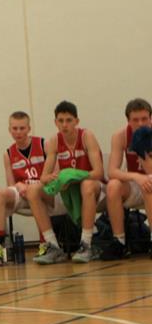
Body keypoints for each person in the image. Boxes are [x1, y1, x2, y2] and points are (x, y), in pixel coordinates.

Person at [27, 101, 105, 264]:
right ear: (55, 122)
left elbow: (98, 173)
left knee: (87, 185)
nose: (64, 124)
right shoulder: (54, 141)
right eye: (60, 120)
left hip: (94, 188)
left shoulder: (86, 136)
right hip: (67, 190)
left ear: (76, 121)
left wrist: (71, 175)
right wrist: (50, 178)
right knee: (33, 190)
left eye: (68, 120)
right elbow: (43, 177)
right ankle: (53, 246)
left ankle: (86, 244)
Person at [0, 111, 46, 266]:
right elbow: (11, 184)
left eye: (22, 128)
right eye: (15, 128)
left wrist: (34, 185)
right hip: (22, 193)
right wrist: (18, 186)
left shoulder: (43, 144)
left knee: (34, 192)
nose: (18, 132)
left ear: (29, 128)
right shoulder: (8, 153)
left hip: (43, 191)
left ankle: (45, 244)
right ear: (9, 130)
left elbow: (53, 174)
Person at [103, 98, 152, 260]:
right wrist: (135, 176)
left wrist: (144, 153)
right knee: (113, 186)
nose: (140, 123)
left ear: (150, 118)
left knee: (149, 184)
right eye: (135, 120)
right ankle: (119, 240)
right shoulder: (121, 136)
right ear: (128, 121)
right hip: (136, 182)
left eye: (144, 119)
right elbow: (112, 171)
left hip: (149, 181)